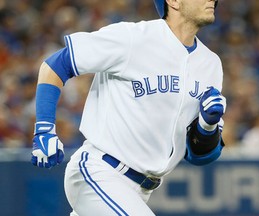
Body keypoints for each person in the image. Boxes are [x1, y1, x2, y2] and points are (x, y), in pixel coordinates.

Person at [31, 0, 226, 215]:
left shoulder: (211, 65)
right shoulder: (134, 38)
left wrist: (208, 125)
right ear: (173, 1)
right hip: (100, 171)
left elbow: (199, 155)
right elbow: (55, 65)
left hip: (141, 191)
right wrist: (44, 128)